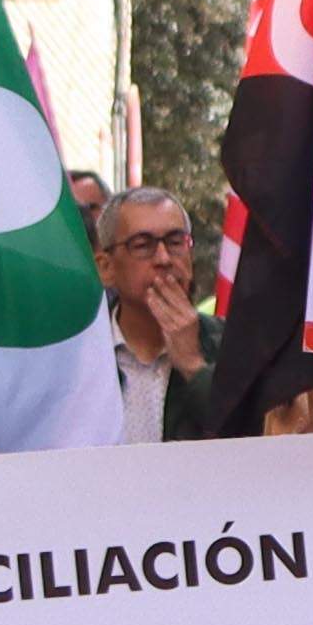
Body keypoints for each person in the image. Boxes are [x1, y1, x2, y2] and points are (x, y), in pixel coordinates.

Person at [95, 183, 208, 446]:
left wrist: (194, 367)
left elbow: (253, 440)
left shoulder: (231, 343)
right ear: (106, 267)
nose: (164, 258)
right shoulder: (80, 357)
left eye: (175, 242)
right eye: (143, 245)